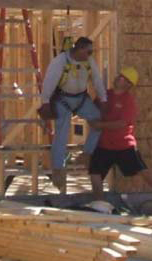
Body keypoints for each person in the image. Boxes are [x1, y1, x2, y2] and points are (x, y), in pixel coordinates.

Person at [88, 66, 152, 203]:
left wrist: (100, 125)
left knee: (142, 170)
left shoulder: (128, 100)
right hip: (104, 144)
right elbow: (92, 111)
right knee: (95, 173)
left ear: (128, 84)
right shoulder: (105, 95)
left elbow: (122, 123)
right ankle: (99, 203)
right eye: (119, 75)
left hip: (123, 144)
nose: (118, 78)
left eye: (123, 78)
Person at [41, 37, 107, 193]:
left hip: (81, 98)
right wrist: (45, 102)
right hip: (63, 99)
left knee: (98, 121)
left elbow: (97, 80)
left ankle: (87, 154)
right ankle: (58, 169)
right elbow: (49, 82)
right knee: (62, 133)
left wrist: (103, 99)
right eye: (88, 51)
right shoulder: (60, 61)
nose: (90, 54)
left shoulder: (88, 61)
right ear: (80, 49)